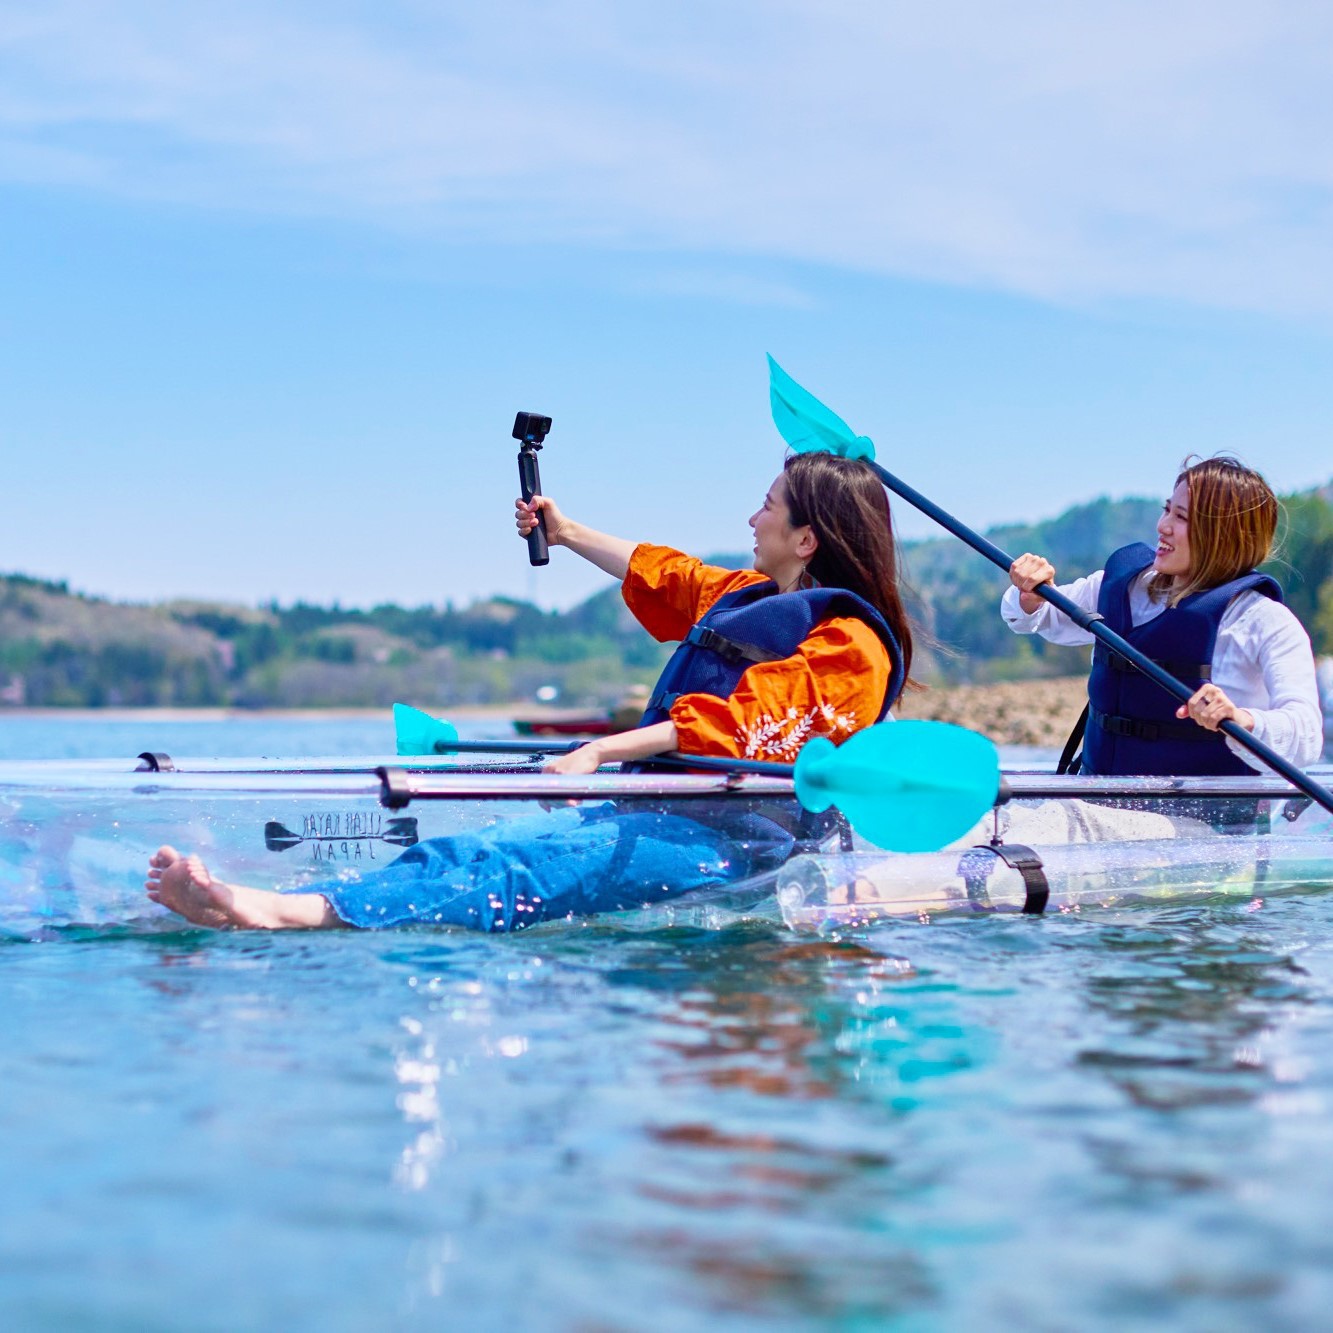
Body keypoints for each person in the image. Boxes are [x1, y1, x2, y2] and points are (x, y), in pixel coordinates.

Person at [146, 451, 918, 931]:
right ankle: (299, 904)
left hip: (747, 846)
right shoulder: (749, 593)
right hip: (662, 812)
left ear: (806, 538)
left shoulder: (850, 646)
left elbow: (747, 722)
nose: (752, 516)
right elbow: (666, 574)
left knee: (515, 874)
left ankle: (277, 915)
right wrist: (566, 527)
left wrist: (601, 750)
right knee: (475, 847)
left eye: (768, 505)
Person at [1002, 455, 1322, 776]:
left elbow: (1306, 735)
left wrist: (1242, 719)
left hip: (1203, 816)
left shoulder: (1264, 621)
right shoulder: (1123, 587)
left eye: (1181, 517)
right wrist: (1030, 594)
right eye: (1166, 509)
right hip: (1095, 794)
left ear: (1222, 535)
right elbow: (1036, 616)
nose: (1163, 526)